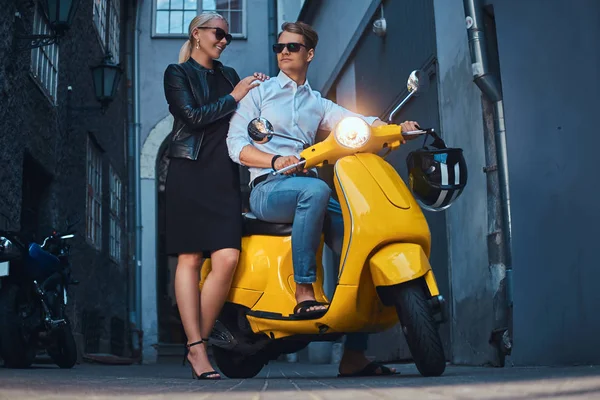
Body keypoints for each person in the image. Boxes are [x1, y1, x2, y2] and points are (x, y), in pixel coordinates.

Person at [226, 21, 420, 377]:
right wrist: (274, 160)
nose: (284, 52)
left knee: (363, 232)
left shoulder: (317, 103)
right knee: (316, 189)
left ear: (309, 53)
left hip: (307, 188)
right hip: (268, 188)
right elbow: (236, 145)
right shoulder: (260, 93)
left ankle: (354, 355)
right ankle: (304, 290)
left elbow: (358, 120)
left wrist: (398, 129)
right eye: (280, 47)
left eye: (293, 47)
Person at [163, 12, 268, 380]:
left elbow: (241, 123)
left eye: (228, 36)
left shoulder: (229, 76)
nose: (224, 40)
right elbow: (191, 116)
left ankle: (198, 342)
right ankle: (197, 349)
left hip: (223, 174)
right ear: (197, 34)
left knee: (226, 258)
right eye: (218, 33)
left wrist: (259, 114)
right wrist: (235, 96)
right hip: (189, 171)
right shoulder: (177, 74)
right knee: (190, 259)